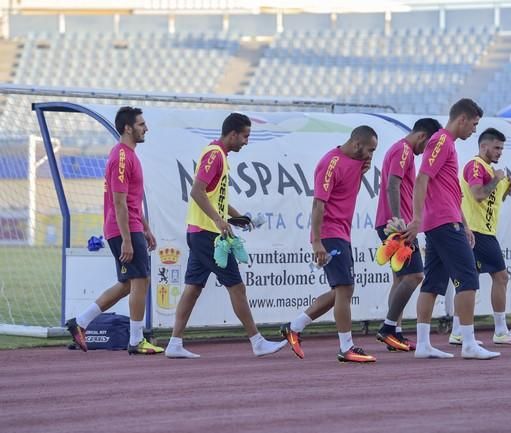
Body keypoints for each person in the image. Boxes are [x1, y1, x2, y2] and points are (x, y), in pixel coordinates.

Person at [164, 113, 287, 359]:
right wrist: (219, 221)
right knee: (237, 287)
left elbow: (214, 197)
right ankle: (257, 341)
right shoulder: (214, 155)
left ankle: (174, 343)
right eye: (245, 136)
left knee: (193, 288)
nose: (246, 142)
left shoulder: (219, 155)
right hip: (208, 235)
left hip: (200, 233)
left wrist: (240, 218)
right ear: (233, 134)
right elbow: (197, 192)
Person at [404, 98, 501, 360]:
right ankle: (468, 342)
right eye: (474, 124)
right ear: (462, 119)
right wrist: (416, 218)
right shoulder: (440, 141)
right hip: (443, 221)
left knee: (433, 283)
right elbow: (422, 177)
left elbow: (451, 190)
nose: (474, 130)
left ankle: (423, 344)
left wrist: (465, 224)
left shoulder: (448, 145)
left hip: (446, 220)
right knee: (468, 278)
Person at [65, 106, 163, 355]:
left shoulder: (129, 155)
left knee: (127, 283)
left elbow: (132, 200)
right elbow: (119, 203)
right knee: (141, 280)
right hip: (123, 230)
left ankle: (81, 322)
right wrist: (129, 240)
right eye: (141, 124)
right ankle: (136, 340)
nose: (146, 128)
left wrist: (146, 229)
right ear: (128, 128)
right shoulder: (121, 157)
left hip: (129, 227)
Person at [280, 126, 378, 363]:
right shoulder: (330, 163)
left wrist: (362, 171)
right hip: (329, 234)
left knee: (342, 290)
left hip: (342, 233)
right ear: (356, 144)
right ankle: (346, 347)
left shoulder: (356, 161)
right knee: (344, 289)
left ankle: (294, 326)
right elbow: (318, 205)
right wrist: (317, 242)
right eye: (370, 150)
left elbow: (345, 188)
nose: (372, 156)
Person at [449, 127, 511, 346]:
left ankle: (457, 331)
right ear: (483, 146)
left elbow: (492, 200)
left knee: (467, 282)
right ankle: (500, 330)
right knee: (500, 277)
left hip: (482, 231)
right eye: (496, 147)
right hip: (477, 232)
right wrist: (498, 178)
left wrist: (507, 188)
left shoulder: (490, 171)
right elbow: (478, 194)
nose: (500, 152)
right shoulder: (476, 166)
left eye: (501, 148)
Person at [374, 118, 442, 352]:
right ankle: (388, 328)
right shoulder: (403, 150)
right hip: (396, 224)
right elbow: (392, 185)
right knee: (415, 276)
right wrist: (397, 220)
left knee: (401, 279)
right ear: (423, 137)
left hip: (391, 221)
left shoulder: (400, 150)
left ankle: (396, 332)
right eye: (428, 146)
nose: (426, 152)